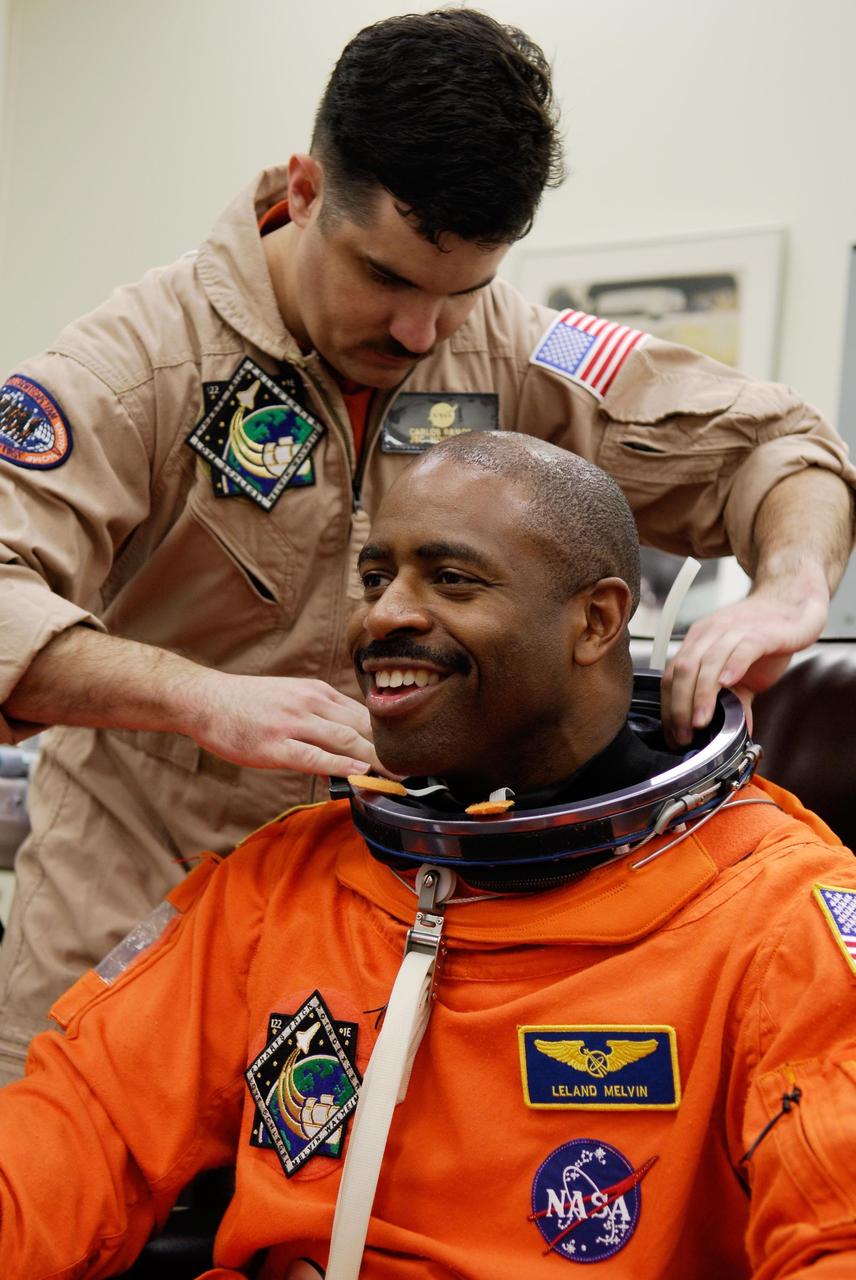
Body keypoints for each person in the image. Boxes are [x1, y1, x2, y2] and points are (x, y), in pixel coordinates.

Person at [0, 9, 853, 1087]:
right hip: (131, 933)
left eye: (461, 290)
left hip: (388, 954)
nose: (421, 333)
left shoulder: (509, 346)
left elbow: (774, 444)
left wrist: (788, 583)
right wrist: (198, 697)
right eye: (387, 278)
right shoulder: (134, 366)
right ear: (304, 193)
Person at [0, 431, 854, 1279]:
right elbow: (73, 1133)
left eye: (451, 579)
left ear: (595, 620)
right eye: (377, 579)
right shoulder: (287, 880)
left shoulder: (779, 914)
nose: (384, 614)